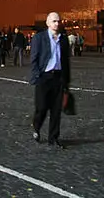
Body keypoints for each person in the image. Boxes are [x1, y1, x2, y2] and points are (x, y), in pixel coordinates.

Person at [29, 12, 71, 148]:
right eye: (54, 21)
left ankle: (54, 138)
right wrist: (37, 75)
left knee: (56, 110)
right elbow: (34, 59)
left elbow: (66, 61)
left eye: (58, 21)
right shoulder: (39, 38)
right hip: (44, 77)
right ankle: (36, 126)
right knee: (41, 108)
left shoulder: (63, 39)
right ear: (48, 23)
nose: (57, 23)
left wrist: (67, 81)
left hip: (58, 77)